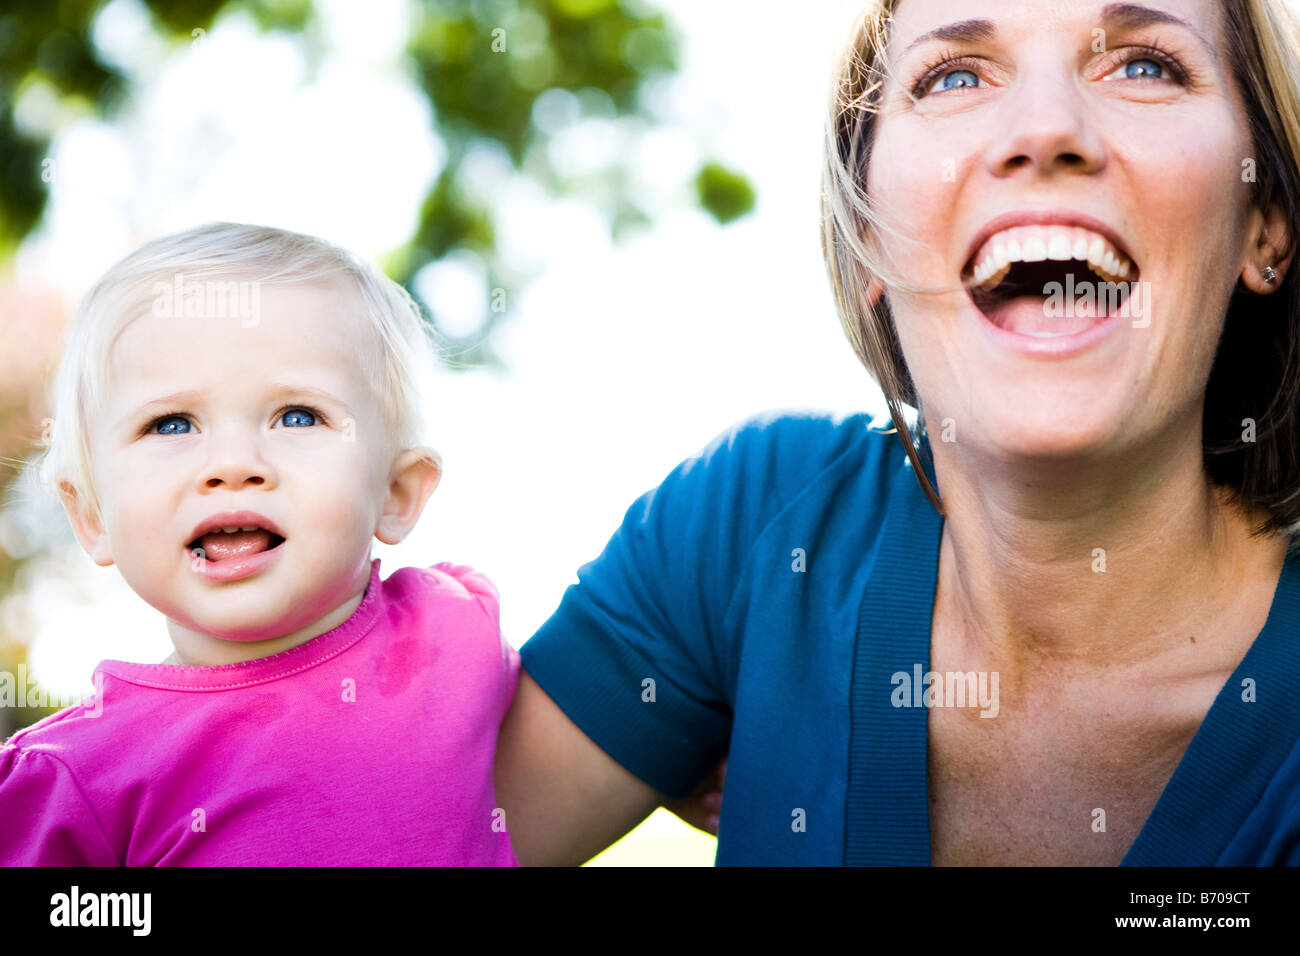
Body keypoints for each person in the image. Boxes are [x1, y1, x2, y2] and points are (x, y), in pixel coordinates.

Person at [494, 0, 1300, 865]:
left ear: (1267, 224)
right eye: (953, 76)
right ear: (866, 232)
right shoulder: (754, 535)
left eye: (1143, 65)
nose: (1044, 130)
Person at [0, 222, 520, 865]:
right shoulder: (69, 784)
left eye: (297, 416)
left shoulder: (454, 632)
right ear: (93, 515)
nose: (233, 463)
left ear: (397, 491)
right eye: (170, 423)